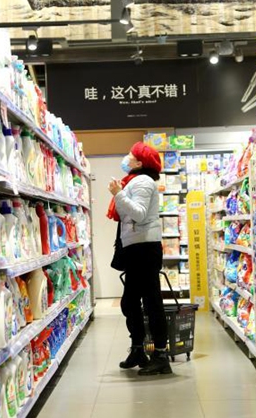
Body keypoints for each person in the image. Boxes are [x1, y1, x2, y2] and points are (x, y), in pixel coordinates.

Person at [107, 141, 172, 376]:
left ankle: (161, 355)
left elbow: (139, 213)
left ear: (139, 163)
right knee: (131, 301)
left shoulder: (143, 182)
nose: (127, 157)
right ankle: (138, 349)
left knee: (151, 301)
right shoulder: (135, 181)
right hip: (137, 246)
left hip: (145, 248)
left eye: (130, 155)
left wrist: (118, 194)